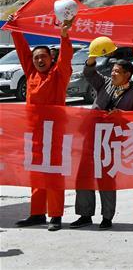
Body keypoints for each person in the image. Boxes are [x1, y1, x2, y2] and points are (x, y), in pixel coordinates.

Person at [11, 17, 74, 232]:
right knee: (36, 172)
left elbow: (66, 59)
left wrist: (64, 36)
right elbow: (21, 50)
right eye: (36, 57)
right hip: (34, 133)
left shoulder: (59, 75)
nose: (39, 60)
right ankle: (37, 213)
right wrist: (15, 29)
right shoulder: (30, 74)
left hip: (55, 133)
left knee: (54, 173)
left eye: (43, 57)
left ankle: (55, 215)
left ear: (50, 59)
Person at [70, 57, 133, 230]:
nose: (113, 73)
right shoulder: (105, 83)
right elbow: (89, 74)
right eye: (112, 70)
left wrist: (123, 115)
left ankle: (107, 216)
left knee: (106, 178)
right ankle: (85, 214)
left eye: (117, 71)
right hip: (92, 135)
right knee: (84, 175)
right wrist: (90, 61)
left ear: (128, 74)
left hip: (112, 140)